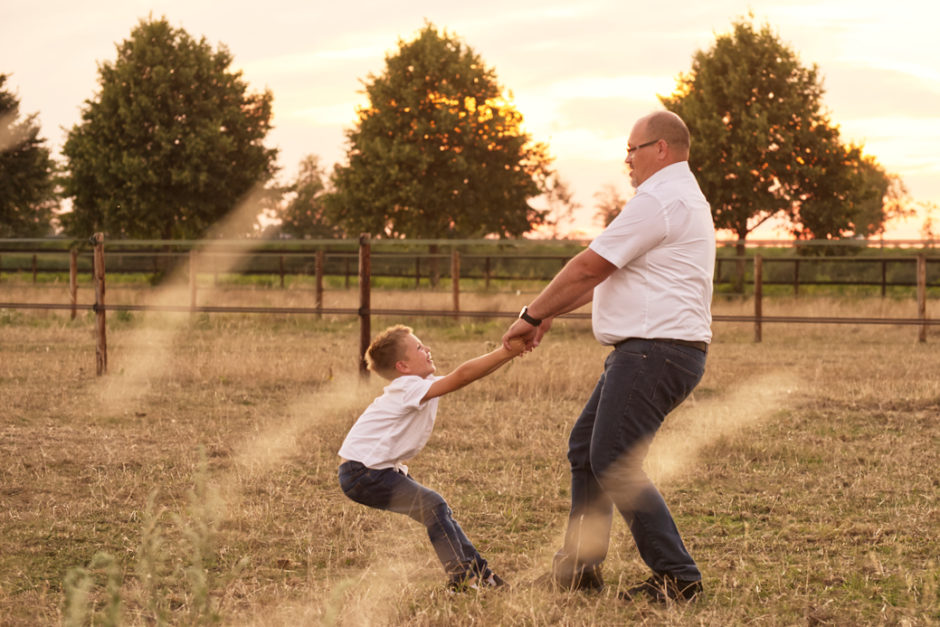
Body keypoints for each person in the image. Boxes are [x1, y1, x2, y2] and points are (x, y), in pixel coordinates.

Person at [502, 110, 716, 603]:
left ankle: (678, 577)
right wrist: (554, 311)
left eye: (632, 150)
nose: (627, 161)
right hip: (656, 350)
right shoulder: (681, 197)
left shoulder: (659, 199)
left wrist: (532, 315)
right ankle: (578, 570)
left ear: (661, 149)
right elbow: (610, 274)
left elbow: (587, 266)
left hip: (654, 351)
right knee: (587, 450)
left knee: (614, 459)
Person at [338, 324, 524, 592]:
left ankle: (482, 575)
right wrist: (506, 351)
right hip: (364, 472)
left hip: (372, 471)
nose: (427, 349)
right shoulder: (407, 387)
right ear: (402, 366)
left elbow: (468, 376)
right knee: (433, 505)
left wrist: (508, 354)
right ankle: (461, 579)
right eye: (419, 347)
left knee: (438, 510)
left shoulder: (418, 384)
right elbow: (462, 376)